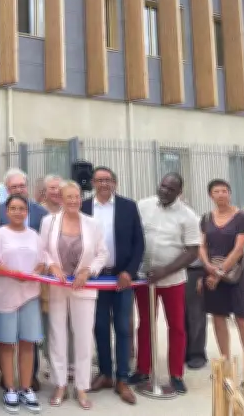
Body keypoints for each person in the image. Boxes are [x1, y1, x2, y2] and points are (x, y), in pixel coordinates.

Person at [40, 180, 108, 410]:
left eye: (76, 197)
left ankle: (81, 387)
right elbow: (43, 251)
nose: (73, 201)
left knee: (83, 337)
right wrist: (52, 266)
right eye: (68, 197)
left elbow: (102, 254)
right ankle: (60, 384)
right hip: (58, 286)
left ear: (81, 198)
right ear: (60, 198)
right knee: (57, 334)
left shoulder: (92, 223)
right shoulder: (48, 222)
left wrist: (89, 271)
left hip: (84, 288)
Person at [131, 172, 200, 394]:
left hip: (172, 280)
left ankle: (176, 374)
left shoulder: (188, 216)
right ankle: (143, 370)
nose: (164, 191)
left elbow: (192, 251)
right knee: (146, 325)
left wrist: (165, 271)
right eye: (162, 186)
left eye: (171, 189)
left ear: (179, 193)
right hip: (145, 279)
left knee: (177, 327)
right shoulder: (143, 206)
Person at [82, 167, 143, 405]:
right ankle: (106, 374)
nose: (104, 184)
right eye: (99, 180)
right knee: (99, 326)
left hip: (121, 277)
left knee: (123, 327)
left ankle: (123, 378)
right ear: (93, 183)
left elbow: (139, 242)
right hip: (95, 278)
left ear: (115, 183)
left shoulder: (128, 206)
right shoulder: (84, 207)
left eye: (107, 180)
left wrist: (129, 271)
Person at [0, 195, 45, 413]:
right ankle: (10, 388)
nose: (18, 212)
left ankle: (26, 388)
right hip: (5, 294)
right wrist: (14, 273)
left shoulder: (34, 236)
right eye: (13, 208)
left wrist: (33, 273)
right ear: (6, 211)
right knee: (7, 344)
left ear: (27, 212)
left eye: (22, 208)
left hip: (29, 295)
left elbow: (43, 261)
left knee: (28, 343)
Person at [0, 168, 48, 389]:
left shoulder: (41, 212)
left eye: (21, 186)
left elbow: (44, 247)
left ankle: (30, 376)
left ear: (27, 188)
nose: (18, 190)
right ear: (7, 190)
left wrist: (39, 268)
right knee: (6, 337)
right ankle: (6, 377)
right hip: (6, 285)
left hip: (32, 287)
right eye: (13, 187)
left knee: (29, 335)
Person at [198, 179, 244, 370]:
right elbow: (202, 246)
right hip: (212, 274)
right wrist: (207, 267)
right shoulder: (206, 218)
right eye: (217, 191)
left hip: (236, 276)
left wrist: (219, 273)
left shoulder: (241, 218)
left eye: (225, 190)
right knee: (218, 317)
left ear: (229, 194)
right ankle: (225, 364)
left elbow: (239, 249)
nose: (221, 194)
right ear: (210, 195)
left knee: (242, 319)